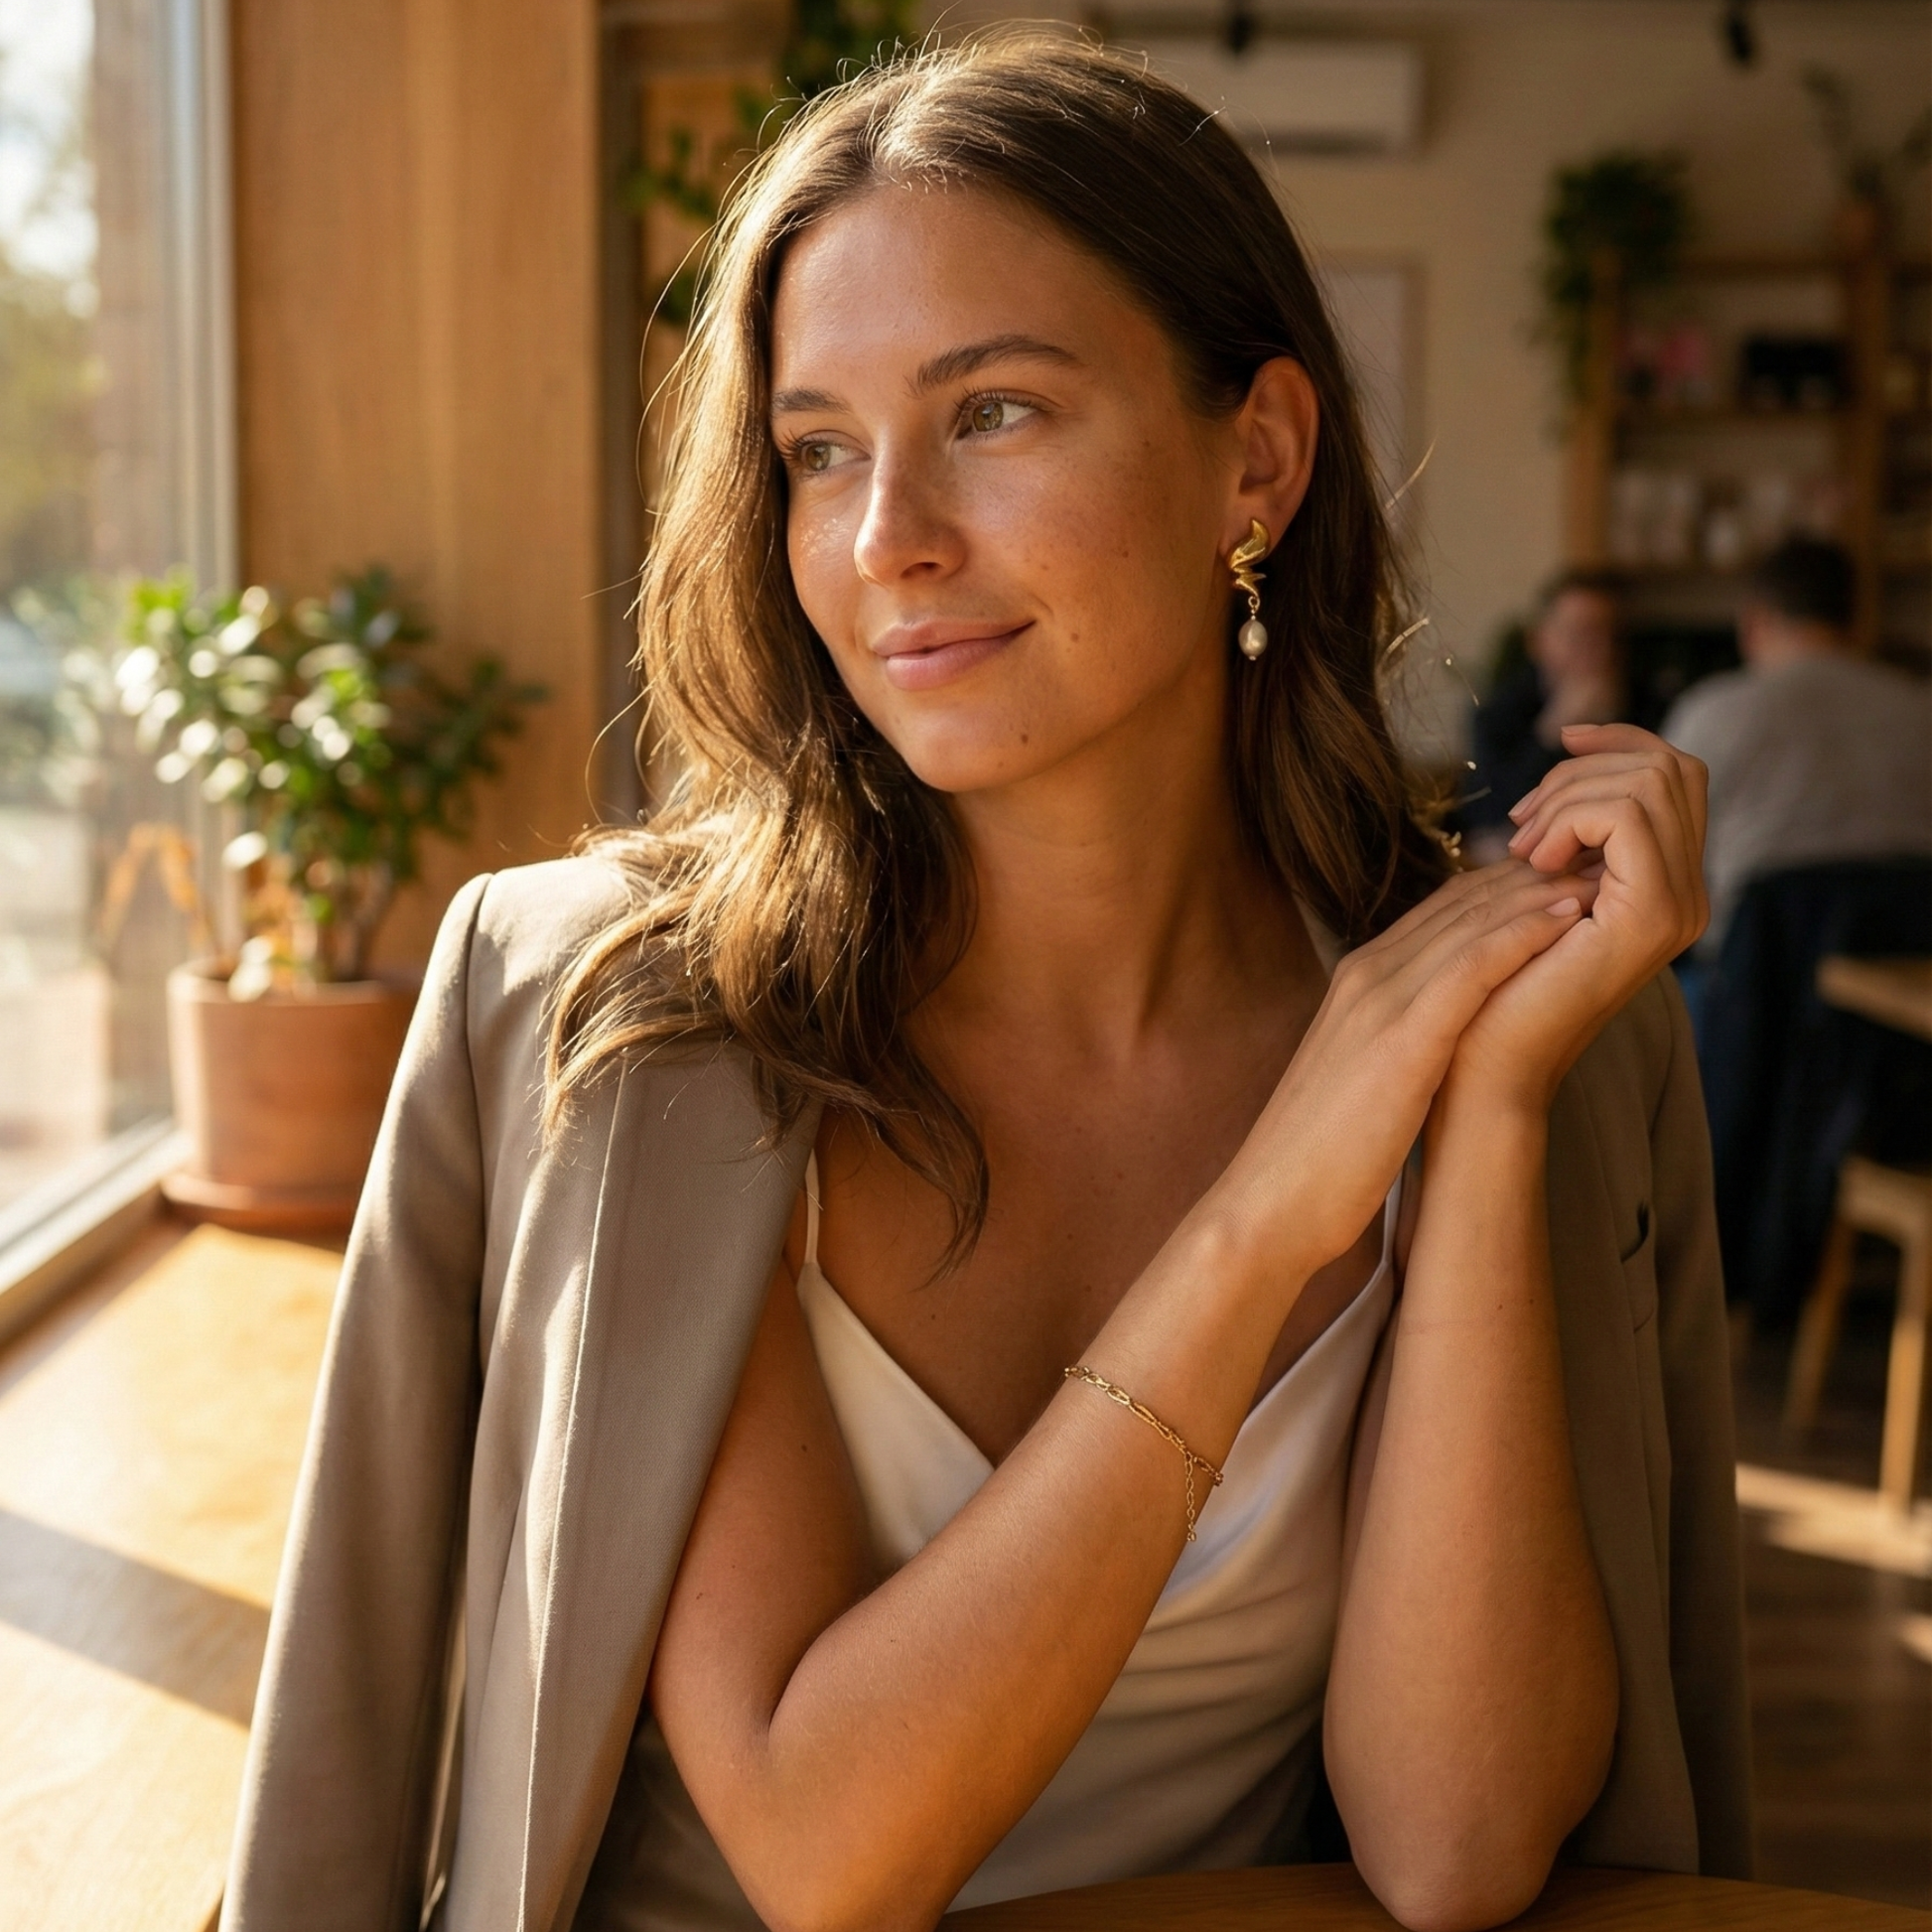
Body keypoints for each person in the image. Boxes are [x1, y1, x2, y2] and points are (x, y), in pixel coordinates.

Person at [221, 34, 1747, 1932]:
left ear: (1254, 459)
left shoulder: (1525, 1039)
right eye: (817, 451)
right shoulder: (633, 1025)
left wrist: (1486, 1114)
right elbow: (822, 1848)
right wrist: (1275, 1205)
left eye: (996, 414)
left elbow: (1459, 1851)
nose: (888, 545)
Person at [1662, 535, 1932, 968]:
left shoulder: (1716, 712)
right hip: (1902, 983)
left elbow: (1668, 866)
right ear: (1856, 622)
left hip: (1755, 986)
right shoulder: (1921, 709)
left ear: (1754, 621)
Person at [1463, 571, 1628, 868]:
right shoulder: (1496, 713)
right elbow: (1493, 813)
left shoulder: (1642, 701)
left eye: (1606, 633)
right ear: (1538, 641)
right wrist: (1553, 730)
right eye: (1579, 633)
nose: (1596, 647)